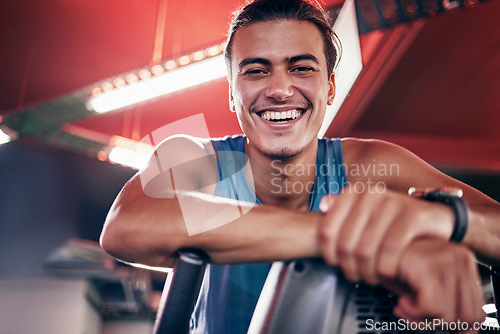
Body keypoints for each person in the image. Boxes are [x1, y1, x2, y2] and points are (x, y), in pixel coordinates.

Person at [100, 0, 500, 333]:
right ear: (231, 93)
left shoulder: (371, 163)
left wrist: (444, 221)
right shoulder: (195, 156)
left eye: (301, 68)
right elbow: (124, 228)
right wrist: (345, 235)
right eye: (256, 70)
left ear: (329, 86)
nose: (278, 89)